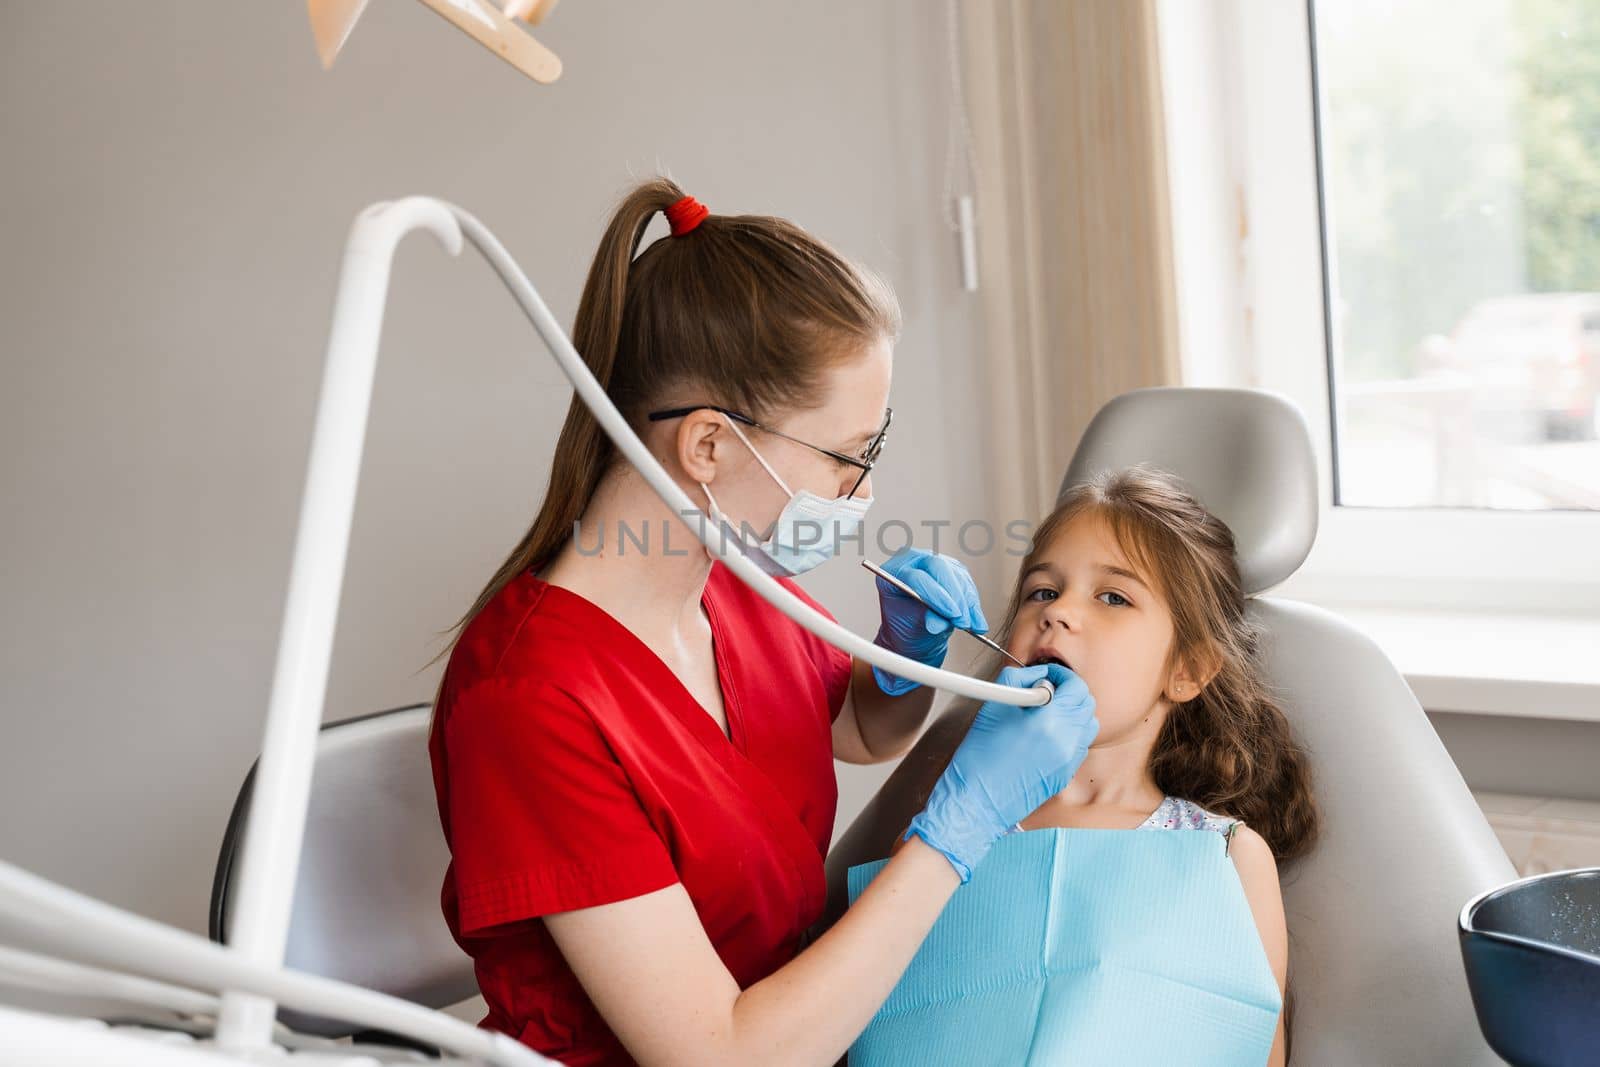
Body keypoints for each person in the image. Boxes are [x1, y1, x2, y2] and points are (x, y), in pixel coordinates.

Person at [426, 177, 1099, 1066]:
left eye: (874, 450)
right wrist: (954, 834)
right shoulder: (529, 702)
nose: (864, 492)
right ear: (707, 444)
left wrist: (901, 662)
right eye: (845, 457)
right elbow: (723, 1055)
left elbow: (855, 729)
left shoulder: (731, 581)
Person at [876, 465, 1320, 1065]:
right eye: (1042, 591)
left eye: (1113, 596)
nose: (1058, 613)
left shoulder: (1225, 856)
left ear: (1186, 670)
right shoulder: (953, 822)